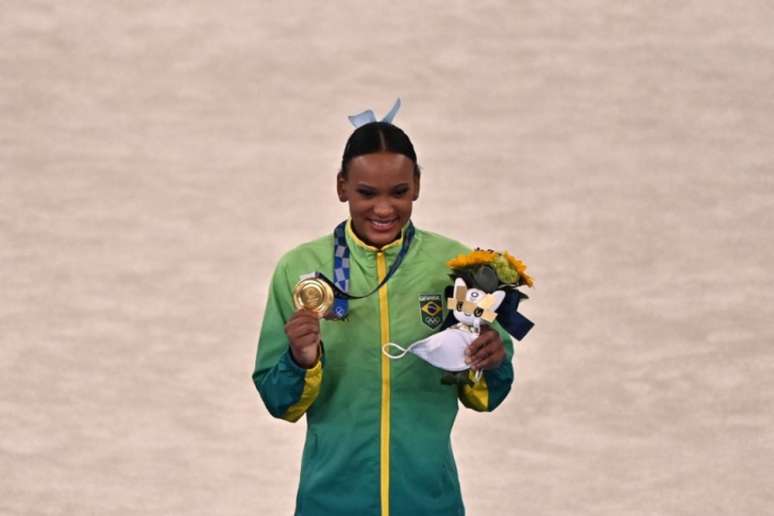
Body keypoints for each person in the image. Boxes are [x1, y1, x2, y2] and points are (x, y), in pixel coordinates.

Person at [251, 106, 515, 516]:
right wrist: (300, 359)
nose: (384, 208)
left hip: (429, 501)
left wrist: (490, 361)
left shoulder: (460, 267)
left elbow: (485, 397)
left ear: (417, 186)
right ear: (342, 187)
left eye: (398, 191)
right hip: (331, 502)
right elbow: (279, 402)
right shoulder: (298, 269)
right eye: (366, 193)